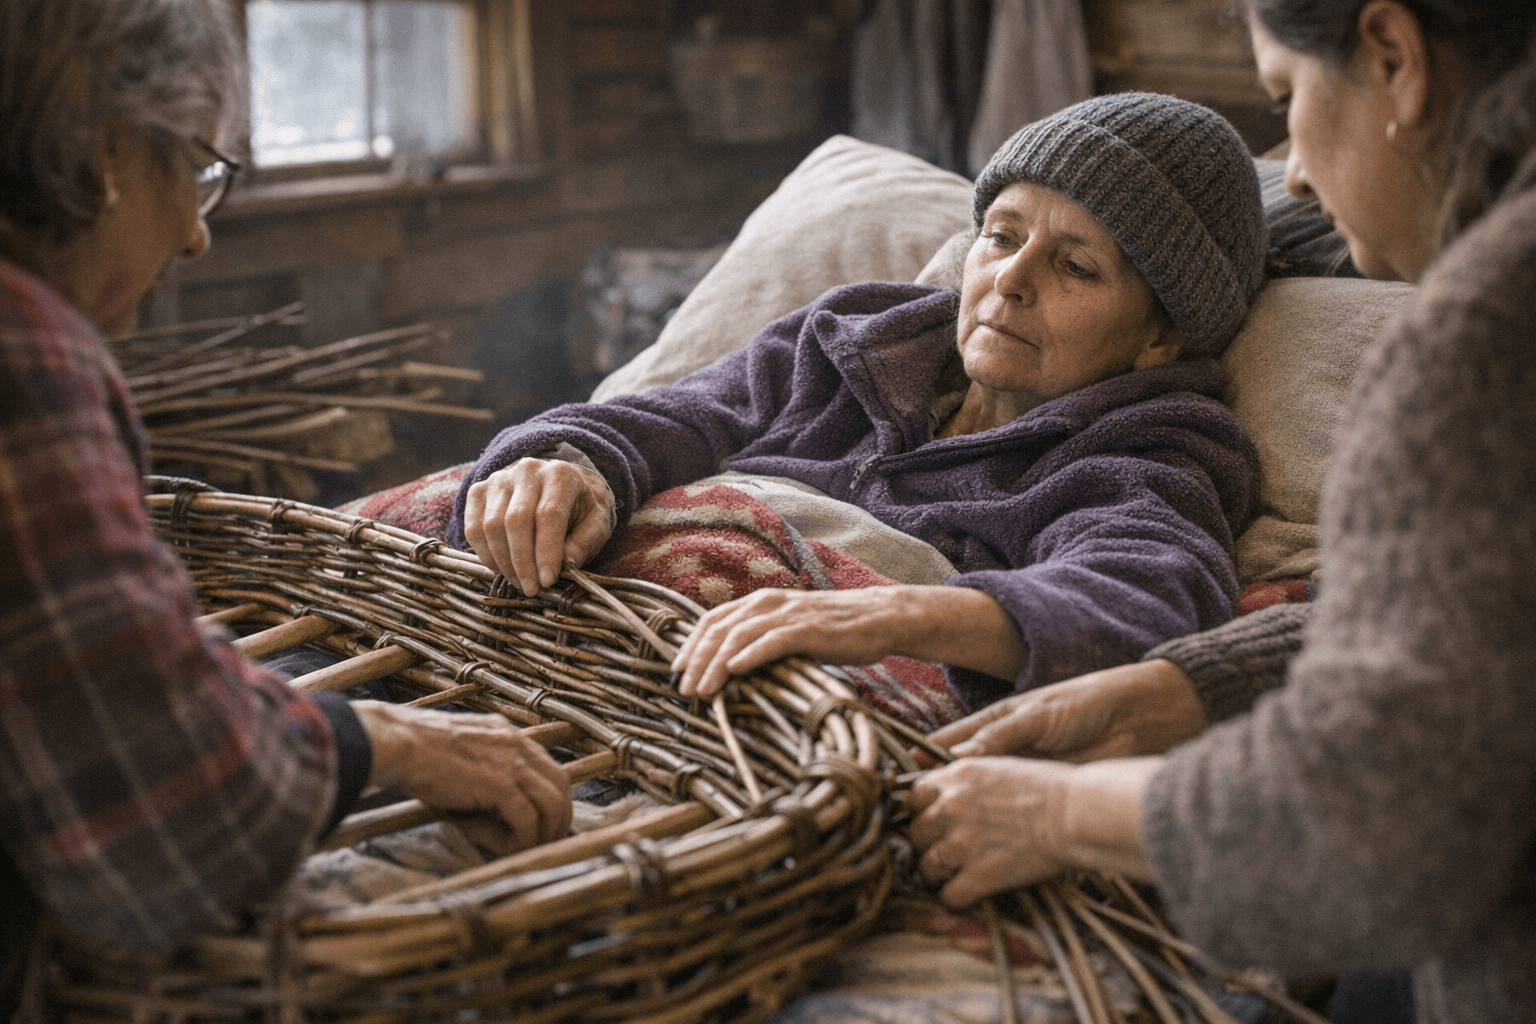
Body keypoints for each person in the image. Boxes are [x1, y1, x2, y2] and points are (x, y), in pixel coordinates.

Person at [906, 2, 1536, 1022]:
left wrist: (1054, 812)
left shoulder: (1484, 337)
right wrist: (1192, 685)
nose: (1290, 172)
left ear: (1392, 57)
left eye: (1288, 99)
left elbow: (1386, 817)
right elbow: (1493, 637)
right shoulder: (868, 350)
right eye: (999, 236)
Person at [0, 0, 572, 996]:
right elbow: (164, 831)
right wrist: (380, 739)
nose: (194, 238)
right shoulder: (23, 358)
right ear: (104, 151)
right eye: (195, 170)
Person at [452, 92, 1267, 708]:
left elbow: (1147, 599)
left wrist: (882, 617)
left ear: (1160, 338)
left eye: (1076, 266)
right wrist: (566, 468)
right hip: (559, 656)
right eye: (1003, 236)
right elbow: (676, 414)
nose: (1010, 282)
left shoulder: (1146, 451)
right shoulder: (860, 336)